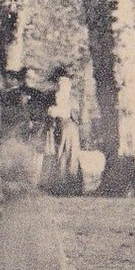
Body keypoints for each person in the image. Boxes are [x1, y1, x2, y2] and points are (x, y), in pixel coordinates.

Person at [40, 65, 84, 195]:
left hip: (64, 123)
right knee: (65, 152)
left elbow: (61, 108)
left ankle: (63, 184)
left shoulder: (62, 91)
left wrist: (54, 112)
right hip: (65, 124)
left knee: (63, 152)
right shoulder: (65, 93)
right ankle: (67, 184)